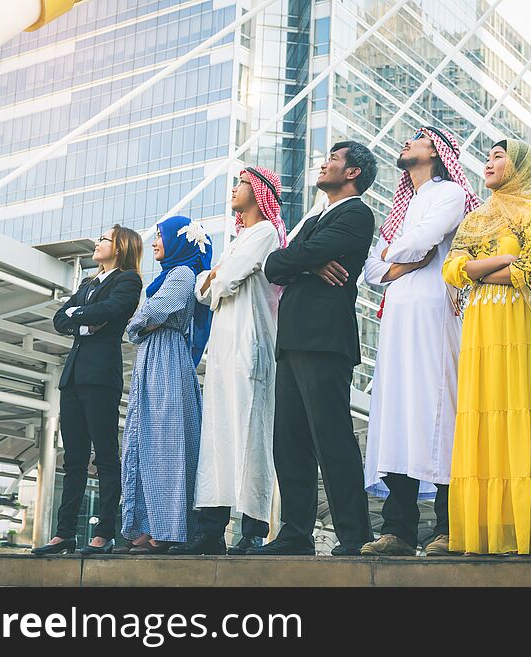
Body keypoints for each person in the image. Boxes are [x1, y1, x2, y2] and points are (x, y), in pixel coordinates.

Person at [442, 139, 531, 556]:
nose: (490, 162)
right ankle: (486, 531)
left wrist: (477, 271)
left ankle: (525, 530)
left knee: (518, 410)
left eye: (500, 156)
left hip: (521, 327)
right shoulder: (476, 217)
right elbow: (451, 268)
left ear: (520, 167)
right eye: (488, 156)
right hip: (482, 329)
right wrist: (495, 266)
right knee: (482, 414)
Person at [247, 141, 378, 556]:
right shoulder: (315, 217)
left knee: (332, 438)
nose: (325, 163)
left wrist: (301, 259)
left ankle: (354, 535)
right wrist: (307, 261)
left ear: (353, 172)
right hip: (293, 339)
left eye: (335, 160)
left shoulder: (356, 213)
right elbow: (274, 264)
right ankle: (295, 533)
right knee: (290, 441)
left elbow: (293, 257)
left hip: (325, 339)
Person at [359, 126, 479, 557]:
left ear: (437, 152)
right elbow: (371, 271)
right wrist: (400, 263)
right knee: (397, 416)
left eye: (418, 138)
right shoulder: (404, 204)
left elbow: (423, 242)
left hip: (433, 312)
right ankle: (399, 531)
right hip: (397, 317)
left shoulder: (449, 194)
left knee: (436, 413)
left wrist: (397, 257)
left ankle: (448, 526)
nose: (406, 142)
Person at [169, 167, 286, 556]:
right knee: (217, 437)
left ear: (260, 192)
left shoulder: (266, 233)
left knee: (252, 436)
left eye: (241, 184)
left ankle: (252, 528)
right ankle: (211, 528)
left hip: (251, 345)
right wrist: (214, 278)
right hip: (223, 349)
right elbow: (205, 291)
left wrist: (214, 277)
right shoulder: (239, 240)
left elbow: (224, 281)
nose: (234, 190)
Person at [32, 224, 143, 556]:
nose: (97, 243)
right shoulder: (88, 283)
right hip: (74, 377)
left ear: (121, 247)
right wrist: (83, 318)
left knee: (106, 456)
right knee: (75, 458)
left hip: (100, 377)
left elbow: (110, 311)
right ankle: (64, 533)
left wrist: (76, 315)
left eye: (104, 239)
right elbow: (58, 319)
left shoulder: (128, 280)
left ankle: (105, 532)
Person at [117, 215, 212, 555]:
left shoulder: (183, 274)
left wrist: (138, 325)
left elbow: (152, 313)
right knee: (145, 441)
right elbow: (146, 318)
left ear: (177, 240)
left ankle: (167, 527)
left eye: (160, 236)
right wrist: (141, 324)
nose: (155, 242)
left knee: (166, 442)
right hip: (154, 357)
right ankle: (144, 524)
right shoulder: (168, 275)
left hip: (167, 359)